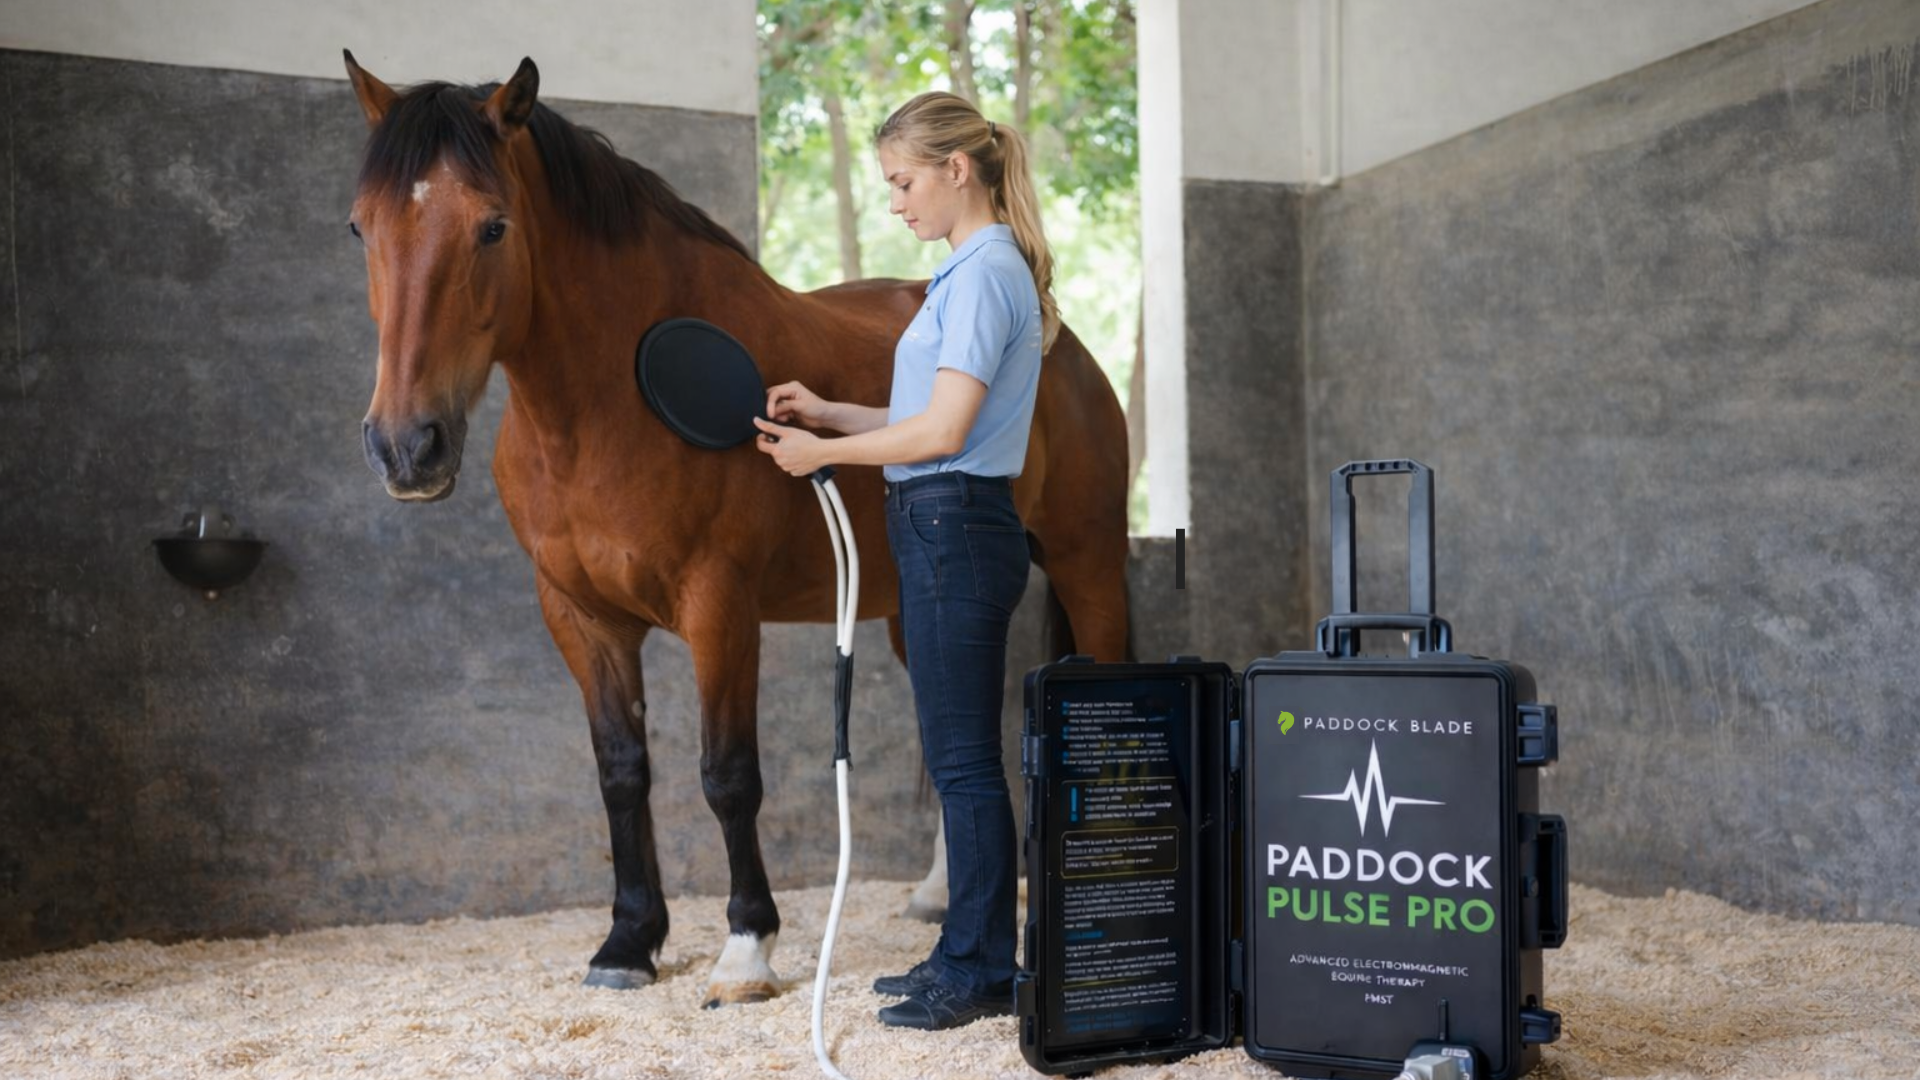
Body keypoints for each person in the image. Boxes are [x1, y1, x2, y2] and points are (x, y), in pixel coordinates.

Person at [752, 90, 1059, 1031]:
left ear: (956, 169)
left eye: (903, 182)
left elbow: (945, 432)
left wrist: (825, 453)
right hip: (940, 522)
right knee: (958, 758)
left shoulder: (985, 274)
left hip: (953, 524)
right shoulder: (970, 271)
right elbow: (926, 416)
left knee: (964, 764)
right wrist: (830, 413)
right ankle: (965, 951)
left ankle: (980, 970)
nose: (894, 203)